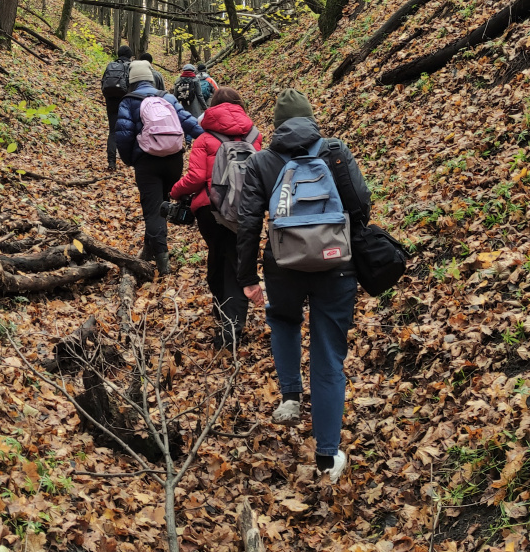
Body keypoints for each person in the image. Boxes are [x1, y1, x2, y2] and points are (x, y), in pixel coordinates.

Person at [236, 88, 371, 483]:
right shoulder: (334, 150)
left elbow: (248, 223)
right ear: (311, 119)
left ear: (276, 126)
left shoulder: (261, 160)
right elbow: (361, 205)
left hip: (283, 265)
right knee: (328, 354)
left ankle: (291, 398)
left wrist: (247, 278)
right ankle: (328, 458)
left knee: (283, 321)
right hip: (336, 266)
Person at [170, 88, 262, 349]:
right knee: (233, 262)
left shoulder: (204, 138)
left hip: (211, 212)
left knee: (219, 259)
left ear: (212, 108)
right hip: (245, 210)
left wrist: (174, 191)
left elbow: (196, 178)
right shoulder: (255, 136)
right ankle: (229, 320)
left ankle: (229, 328)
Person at [115, 61, 204, 275]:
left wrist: (131, 160)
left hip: (147, 162)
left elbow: (123, 136)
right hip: (174, 159)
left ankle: (163, 265)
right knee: (162, 203)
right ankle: (149, 249)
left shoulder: (128, 101)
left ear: (131, 81)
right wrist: (210, 137)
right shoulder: (167, 97)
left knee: (153, 210)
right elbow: (189, 122)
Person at [101, 45, 133, 172]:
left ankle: (111, 162)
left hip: (111, 101)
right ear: (129, 56)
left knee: (113, 132)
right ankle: (129, 160)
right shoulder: (130, 66)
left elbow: (103, 82)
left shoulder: (110, 65)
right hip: (125, 100)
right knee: (129, 130)